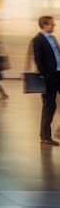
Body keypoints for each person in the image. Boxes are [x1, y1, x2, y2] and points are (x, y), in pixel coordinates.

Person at [33, 16, 60, 146]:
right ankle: (45, 136)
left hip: (59, 74)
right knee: (49, 106)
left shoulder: (53, 38)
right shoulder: (38, 40)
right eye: (51, 24)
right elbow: (38, 59)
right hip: (50, 77)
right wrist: (44, 76)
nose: (53, 26)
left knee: (52, 106)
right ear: (44, 25)